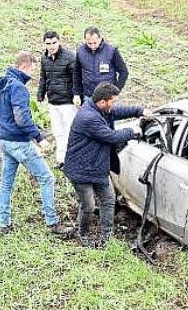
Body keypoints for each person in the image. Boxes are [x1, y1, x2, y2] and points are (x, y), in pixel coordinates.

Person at [0, 51, 74, 237]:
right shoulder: (18, 88)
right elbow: (21, 118)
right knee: (47, 178)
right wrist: (39, 138)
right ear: (25, 65)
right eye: (32, 67)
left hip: (6, 142)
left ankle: (4, 224)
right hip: (19, 142)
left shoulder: (1, 83)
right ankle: (52, 223)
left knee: (6, 184)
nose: (33, 73)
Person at [64, 82, 151, 248]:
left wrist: (140, 111)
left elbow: (118, 112)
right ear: (102, 102)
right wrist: (132, 133)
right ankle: (84, 234)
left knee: (109, 200)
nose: (115, 104)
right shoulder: (88, 118)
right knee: (88, 205)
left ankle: (106, 239)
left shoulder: (100, 109)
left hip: (98, 168)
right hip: (80, 169)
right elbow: (111, 136)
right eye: (113, 101)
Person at [36, 31, 77, 168]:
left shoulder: (70, 57)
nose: (51, 46)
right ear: (44, 44)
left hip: (67, 102)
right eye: (48, 43)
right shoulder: (44, 58)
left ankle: (72, 160)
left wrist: (77, 96)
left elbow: (76, 79)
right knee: (58, 132)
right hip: (53, 102)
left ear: (59, 42)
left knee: (69, 132)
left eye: (54, 43)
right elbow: (43, 77)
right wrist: (40, 94)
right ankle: (61, 160)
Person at [72, 27, 129, 107]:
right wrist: (76, 94)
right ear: (85, 40)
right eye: (89, 43)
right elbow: (77, 74)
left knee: (109, 119)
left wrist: (116, 90)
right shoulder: (80, 52)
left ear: (100, 38)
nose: (92, 46)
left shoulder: (111, 51)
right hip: (89, 97)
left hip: (108, 98)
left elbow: (123, 72)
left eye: (95, 43)